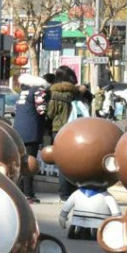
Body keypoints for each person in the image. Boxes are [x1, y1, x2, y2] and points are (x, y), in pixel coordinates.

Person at [46, 66, 82, 200]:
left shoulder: (53, 94)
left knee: (62, 162)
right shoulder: (75, 94)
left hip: (58, 130)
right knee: (74, 162)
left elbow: (50, 114)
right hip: (75, 130)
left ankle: (64, 193)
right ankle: (74, 190)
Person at [13, 73, 50, 203]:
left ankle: (19, 191)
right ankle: (28, 194)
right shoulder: (38, 91)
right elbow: (42, 110)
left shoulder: (23, 93)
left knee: (20, 163)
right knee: (30, 164)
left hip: (18, 131)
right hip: (31, 130)